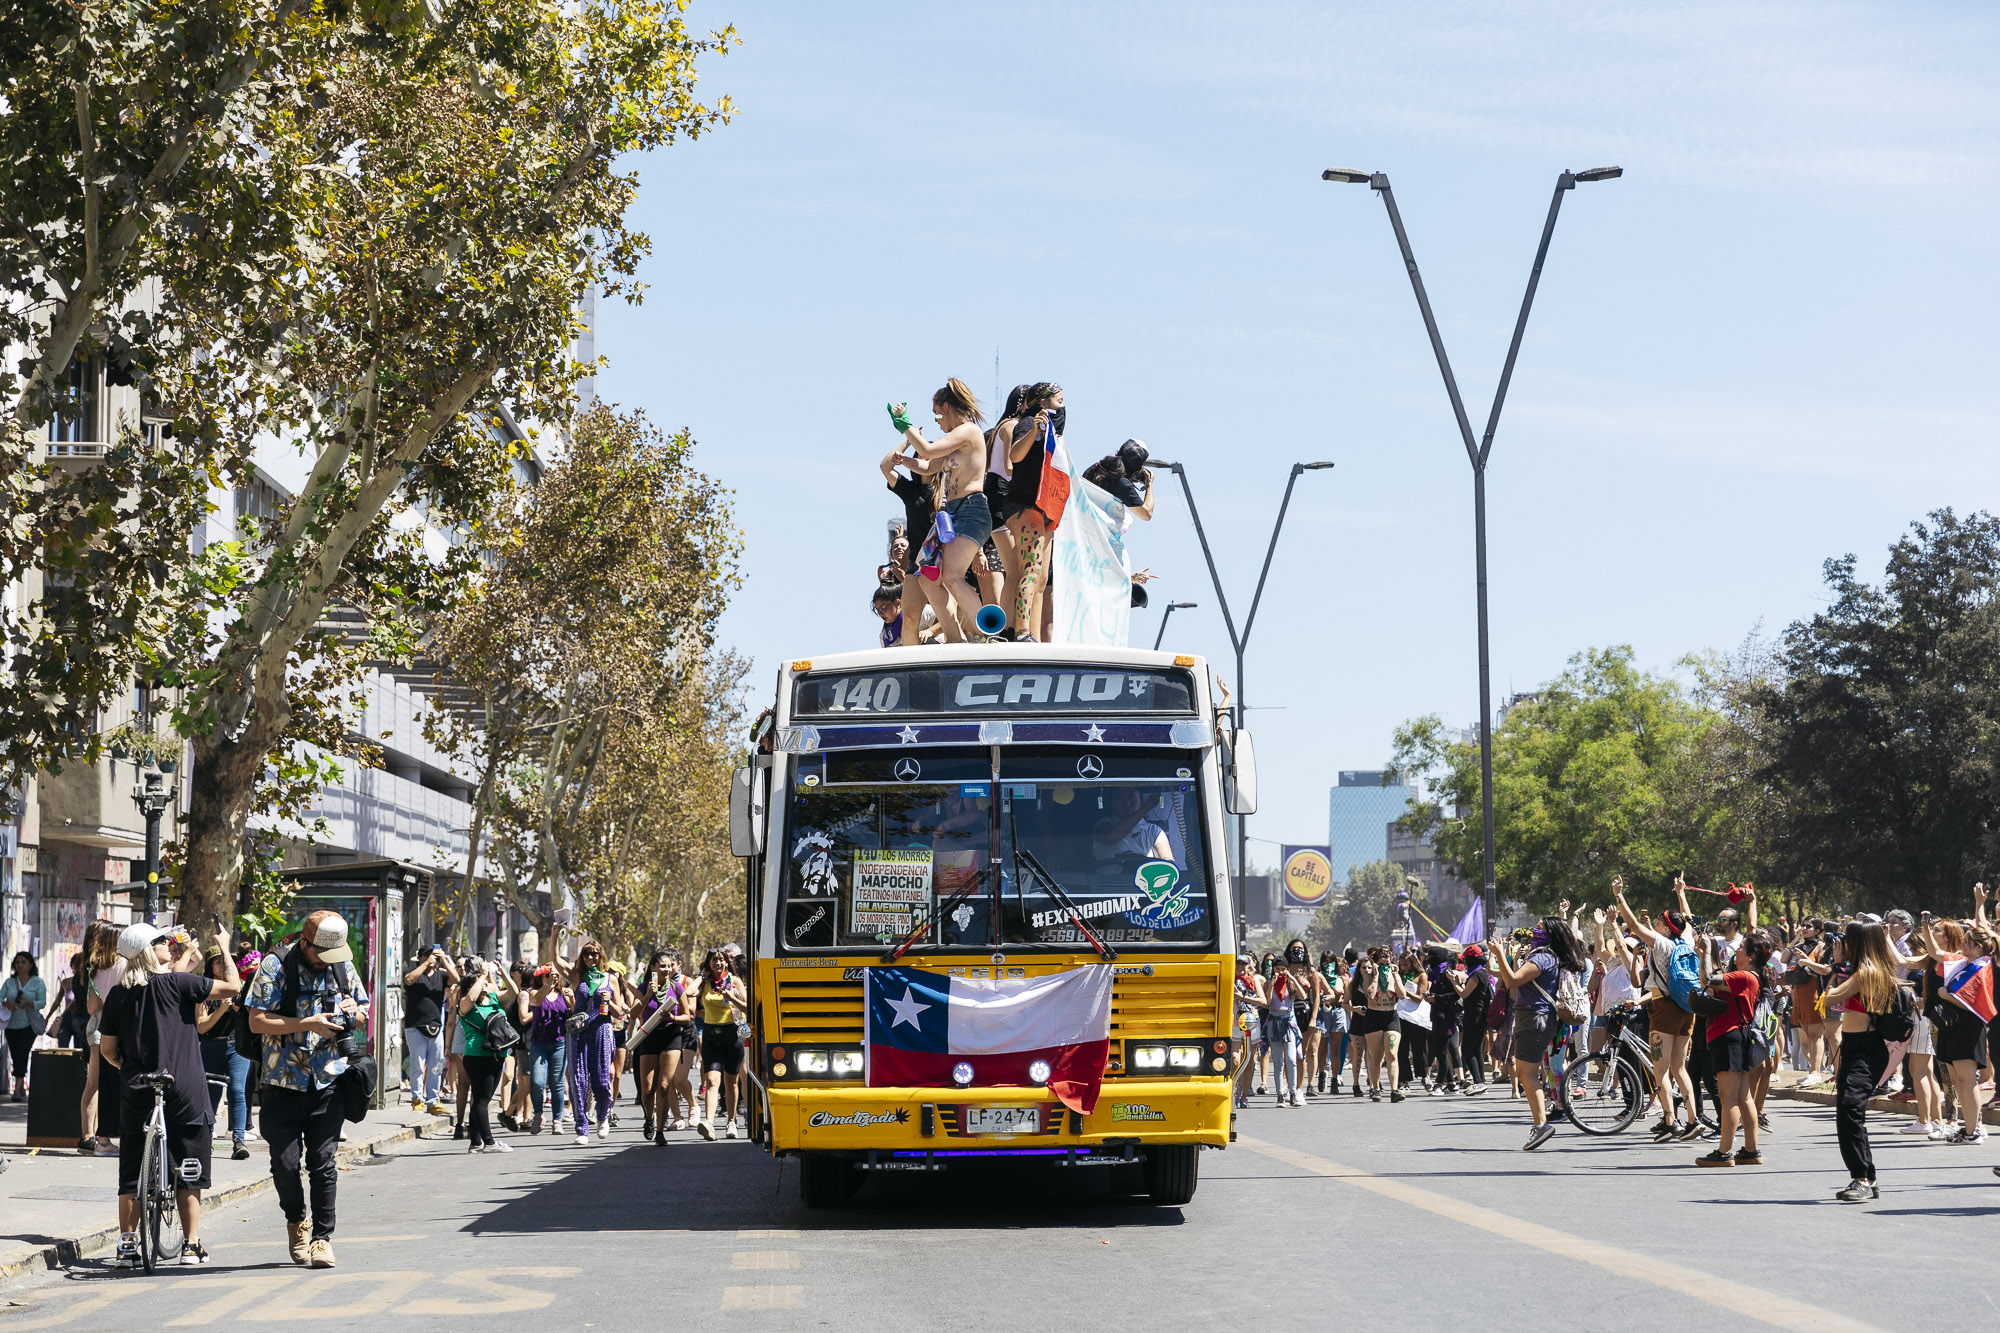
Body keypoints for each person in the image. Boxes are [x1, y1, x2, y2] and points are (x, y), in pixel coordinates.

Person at [99, 922, 239, 1268]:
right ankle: (191, 1245)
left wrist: (129, 1066)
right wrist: (223, 947)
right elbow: (233, 986)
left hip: (138, 1087)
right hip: (185, 1086)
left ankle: (128, 1245)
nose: (168, 944)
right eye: (162, 940)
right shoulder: (179, 984)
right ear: (150, 950)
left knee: (132, 1169)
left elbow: (108, 1050)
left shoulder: (118, 994)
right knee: (189, 1166)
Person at [244, 911, 370, 1269]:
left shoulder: (341, 963)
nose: (325, 962)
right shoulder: (275, 965)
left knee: (323, 1163)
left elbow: (363, 1010)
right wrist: (306, 1023)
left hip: (328, 1080)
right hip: (281, 1082)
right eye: (320, 955)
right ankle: (296, 1221)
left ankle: (322, 1239)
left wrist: (353, 1013)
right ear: (305, 943)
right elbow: (256, 1020)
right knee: (285, 1166)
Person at [1820, 920, 1909, 1202]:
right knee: (1848, 1112)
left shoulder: (1866, 972)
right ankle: (1868, 1177)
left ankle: (1861, 1179)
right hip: (1858, 1047)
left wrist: (1835, 967)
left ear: (1857, 943)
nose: (1843, 943)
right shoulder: (1866, 970)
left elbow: (1828, 998)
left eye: (1847, 939)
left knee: (1849, 1111)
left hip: (1865, 1049)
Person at [1487, 916, 1586, 1151]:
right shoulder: (1547, 955)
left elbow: (1512, 981)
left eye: (1540, 927)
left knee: (1527, 1073)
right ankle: (1540, 1123)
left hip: (1535, 1018)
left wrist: (1500, 952)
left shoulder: (1543, 957)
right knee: (1526, 1072)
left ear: (1551, 934)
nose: (1534, 930)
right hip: (1533, 1018)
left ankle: (1541, 1124)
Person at [1614, 878, 1700, 1140]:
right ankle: (1693, 1120)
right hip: (1687, 1008)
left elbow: (1633, 926)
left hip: (1663, 1009)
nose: (1658, 925)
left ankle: (1670, 1120)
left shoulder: (1662, 945)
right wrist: (1681, 893)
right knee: (1679, 1069)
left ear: (1665, 928)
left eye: (1661, 922)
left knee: (1659, 1070)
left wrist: (1619, 896)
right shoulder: (1686, 940)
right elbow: (1686, 918)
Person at [1688, 928, 1774, 1166]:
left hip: (1728, 1036)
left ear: (1752, 955)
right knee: (1743, 1096)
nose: (1737, 950)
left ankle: (1724, 1152)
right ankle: (1750, 1149)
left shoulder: (1744, 976)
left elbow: (1707, 979)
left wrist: (1705, 953)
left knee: (1728, 1098)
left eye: (1742, 947)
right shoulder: (1750, 976)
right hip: (1738, 1036)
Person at [1002, 383, 1065, 642]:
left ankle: (1034, 635)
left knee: (1041, 577)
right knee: (1030, 569)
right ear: (1044, 402)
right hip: (1025, 506)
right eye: (1059, 401)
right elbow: (1015, 456)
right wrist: (1034, 430)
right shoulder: (1028, 423)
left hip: (1045, 509)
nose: (1063, 406)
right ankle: (1022, 631)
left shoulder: (1054, 432)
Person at [456, 958, 521, 1154]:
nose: (485, 984)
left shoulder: (492, 999)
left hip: (497, 1053)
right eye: (480, 982)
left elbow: (514, 993)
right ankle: (490, 1142)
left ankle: (475, 1141)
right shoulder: (466, 1004)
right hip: (477, 1055)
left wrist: (502, 973)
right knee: (483, 1100)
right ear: (471, 986)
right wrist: (482, 974)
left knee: (480, 1098)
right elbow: (469, 998)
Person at [195, 951, 256, 1161]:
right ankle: (207, 1139)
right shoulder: (203, 989)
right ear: (210, 966)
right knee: (210, 1094)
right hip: (211, 1046)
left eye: (226, 962)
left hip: (237, 1047)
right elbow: (201, 1027)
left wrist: (241, 1007)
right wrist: (221, 1009)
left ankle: (239, 1140)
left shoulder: (240, 987)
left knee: (237, 1091)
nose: (223, 966)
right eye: (218, 962)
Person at [564, 939, 622, 1144]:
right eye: (587, 954)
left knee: (602, 1079)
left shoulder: (610, 979)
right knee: (578, 1080)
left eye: (594, 954)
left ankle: (603, 1115)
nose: (590, 958)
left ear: (601, 956)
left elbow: (620, 1012)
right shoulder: (577, 976)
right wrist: (555, 935)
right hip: (579, 1032)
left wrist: (609, 1000)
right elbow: (555, 960)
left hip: (602, 1029)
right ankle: (582, 1129)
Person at [77, 919, 124, 1154]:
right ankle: (94, 1137)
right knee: (98, 1083)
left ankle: (90, 1135)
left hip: (95, 1027)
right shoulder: (119, 966)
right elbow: (92, 1007)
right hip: (105, 1027)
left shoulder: (94, 969)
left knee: (94, 1083)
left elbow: (91, 1006)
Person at [695, 949, 746, 1140]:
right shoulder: (706, 982)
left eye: (721, 960)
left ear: (726, 963)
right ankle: (708, 1123)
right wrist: (702, 976)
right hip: (710, 1035)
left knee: (731, 1082)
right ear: (709, 963)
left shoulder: (734, 981)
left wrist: (731, 997)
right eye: (714, 960)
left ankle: (731, 1122)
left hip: (732, 1033)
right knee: (712, 1081)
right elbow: (690, 992)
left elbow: (747, 1008)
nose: (718, 963)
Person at [401, 945, 458, 1115]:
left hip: (436, 1026)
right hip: (415, 1026)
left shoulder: (441, 975)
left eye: (432, 955)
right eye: (426, 955)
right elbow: (408, 979)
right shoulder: (414, 971)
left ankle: (433, 1100)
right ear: (419, 957)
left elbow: (456, 979)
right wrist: (426, 964)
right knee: (417, 1064)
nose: (430, 958)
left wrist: (445, 960)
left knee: (438, 1065)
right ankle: (417, 1098)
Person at [519, 964, 569, 1136]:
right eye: (546, 975)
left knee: (557, 1083)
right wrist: (548, 986)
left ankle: (557, 1120)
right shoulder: (534, 992)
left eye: (553, 975)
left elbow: (575, 1011)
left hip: (559, 1043)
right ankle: (538, 1115)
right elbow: (536, 1001)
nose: (550, 978)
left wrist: (573, 999)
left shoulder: (564, 994)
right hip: (539, 1044)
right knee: (537, 1082)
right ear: (540, 978)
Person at [1355, 946, 1403, 1102]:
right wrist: (1375, 976)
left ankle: (1395, 1090)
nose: (1385, 966)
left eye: (1387, 963)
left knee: (1392, 1054)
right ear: (1375, 963)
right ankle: (1374, 1088)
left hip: (1391, 1016)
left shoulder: (1394, 973)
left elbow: (1402, 995)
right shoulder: (1369, 976)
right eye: (1381, 963)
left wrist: (1395, 977)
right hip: (1374, 1017)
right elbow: (1369, 995)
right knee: (1376, 1056)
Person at [2, 951, 46, 1101]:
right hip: (11, 1025)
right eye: (17, 962)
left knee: (22, 1053)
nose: (20, 965)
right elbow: (0, 998)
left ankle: (16, 1089)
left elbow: (42, 1002)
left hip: (29, 1024)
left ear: (30, 965)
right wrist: (7, 1004)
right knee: (16, 1056)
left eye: (23, 962)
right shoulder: (9, 982)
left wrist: (29, 1003)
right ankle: (20, 1088)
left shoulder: (38, 982)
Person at [1452, 945, 1494, 1092]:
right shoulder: (1484, 973)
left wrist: (1454, 982)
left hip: (1474, 1015)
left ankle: (1479, 1082)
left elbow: (1464, 994)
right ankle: (1481, 1082)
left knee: (1468, 1049)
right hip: (1481, 1015)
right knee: (1476, 1050)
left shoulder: (1476, 975)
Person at [1231, 955, 1264, 1110]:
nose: (1240, 967)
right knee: (1235, 1059)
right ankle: (1233, 1090)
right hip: (1234, 1021)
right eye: (1238, 964)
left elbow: (1263, 1002)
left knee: (1249, 1059)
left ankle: (1244, 1094)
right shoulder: (1229, 978)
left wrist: (1242, 997)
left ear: (1249, 967)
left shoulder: (1254, 980)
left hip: (1251, 1022)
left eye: (1244, 964)